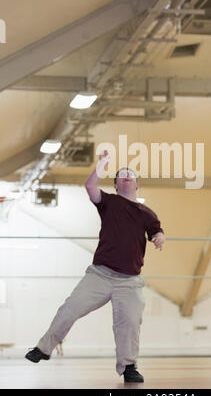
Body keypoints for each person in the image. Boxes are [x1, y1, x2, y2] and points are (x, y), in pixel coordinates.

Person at [25, 150, 165, 383]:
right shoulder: (109, 202)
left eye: (130, 174)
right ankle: (43, 348)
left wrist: (160, 237)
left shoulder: (146, 213)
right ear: (117, 185)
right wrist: (102, 164)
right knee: (69, 309)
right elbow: (90, 187)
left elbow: (156, 230)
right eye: (121, 175)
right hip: (99, 275)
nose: (126, 176)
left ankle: (129, 366)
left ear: (137, 184)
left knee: (129, 322)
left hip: (129, 281)